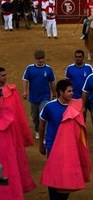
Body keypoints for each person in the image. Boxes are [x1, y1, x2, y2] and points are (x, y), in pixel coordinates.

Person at [39, 79, 91, 200]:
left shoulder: (76, 106)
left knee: (66, 174)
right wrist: (41, 143)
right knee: (53, 172)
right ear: (61, 92)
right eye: (69, 91)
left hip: (69, 146)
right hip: (52, 145)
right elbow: (42, 125)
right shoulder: (49, 106)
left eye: (72, 91)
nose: (72, 93)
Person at [0, 67, 36, 199]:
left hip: (11, 134)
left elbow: (19, 115)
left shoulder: (11, 91)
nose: (5, 77)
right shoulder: (10, 91)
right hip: (5, 134)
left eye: (5, 75)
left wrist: (23, 136)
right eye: (2, 75)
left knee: (11, 163)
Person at [22, 49, 56, 139]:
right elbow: (25, 80)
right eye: (38, 59)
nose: (40, 60)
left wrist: (54, 94)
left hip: (45, 97)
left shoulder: (49, 69)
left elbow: (52, 82)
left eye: (42, 58)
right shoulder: (30, 68)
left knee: (43, 115)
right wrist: (25, 91)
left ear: (44, 58)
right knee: (35, 116)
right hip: (33, 97)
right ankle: (37, 130)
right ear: (35, 59)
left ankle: (44, 135)